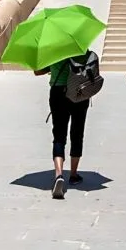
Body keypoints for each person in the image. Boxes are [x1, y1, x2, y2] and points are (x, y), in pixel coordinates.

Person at [34, 51, 93, 200]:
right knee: (77, 133)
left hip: (58, 93)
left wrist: (52, 67)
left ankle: (58, 174)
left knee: (59, 134)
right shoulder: (83, 51)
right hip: (79, 93)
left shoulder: (53, 52)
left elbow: (37, 71)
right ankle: (73, 174)